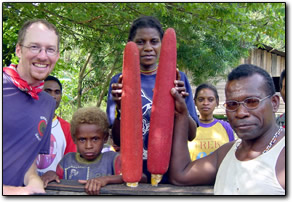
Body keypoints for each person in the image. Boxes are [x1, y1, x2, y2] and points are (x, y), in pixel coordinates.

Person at [106, 16, 199, 183]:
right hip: (132, 171)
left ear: (162, 44)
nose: (148, 47)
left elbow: (191, 135)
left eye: (154, 41)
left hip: (170, 171)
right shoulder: (120, 81)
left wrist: (181, 108)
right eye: (140, 42)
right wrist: (121, 108)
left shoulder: (178, 79)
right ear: (130, 45)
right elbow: (118, 140)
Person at [169, 64, 285, 195]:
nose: (240, 113)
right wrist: (181, 113)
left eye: (252, 101)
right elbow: (180, 175)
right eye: (232, 104)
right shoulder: (226, 152)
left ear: (274, 103)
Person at [3, 19, 60, 195]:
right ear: (18, 50)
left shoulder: (47, 103)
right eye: (34, 47)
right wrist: (14, 192)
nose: (43, 56)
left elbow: (27, 161)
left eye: (50, 49)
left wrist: (33, 180)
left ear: (57, 55)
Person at [55, 107, 123, 195]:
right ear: (74, 139)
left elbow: (140, 177)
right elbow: (56, 180)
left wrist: (106, 179)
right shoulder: (67, 161)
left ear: (105, 138)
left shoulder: (112, 159)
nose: (88, 146)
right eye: (82, 139)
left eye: (95, 139)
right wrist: (50, 174)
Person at [36, 75, 77, 186]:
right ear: (38, 92)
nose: (53, 96)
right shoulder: (26, 123)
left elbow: (71, 162)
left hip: (56, 188)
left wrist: (55, 173)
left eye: (57, 92)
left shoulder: (68, 128)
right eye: (48, 91)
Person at [188, 83, 235, 160]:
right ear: (195, 102)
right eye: (201, 99)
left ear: (217, 102)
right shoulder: (189, 127)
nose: (205, 103)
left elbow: (231, 156)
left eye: (210, 99)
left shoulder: (226, 127)